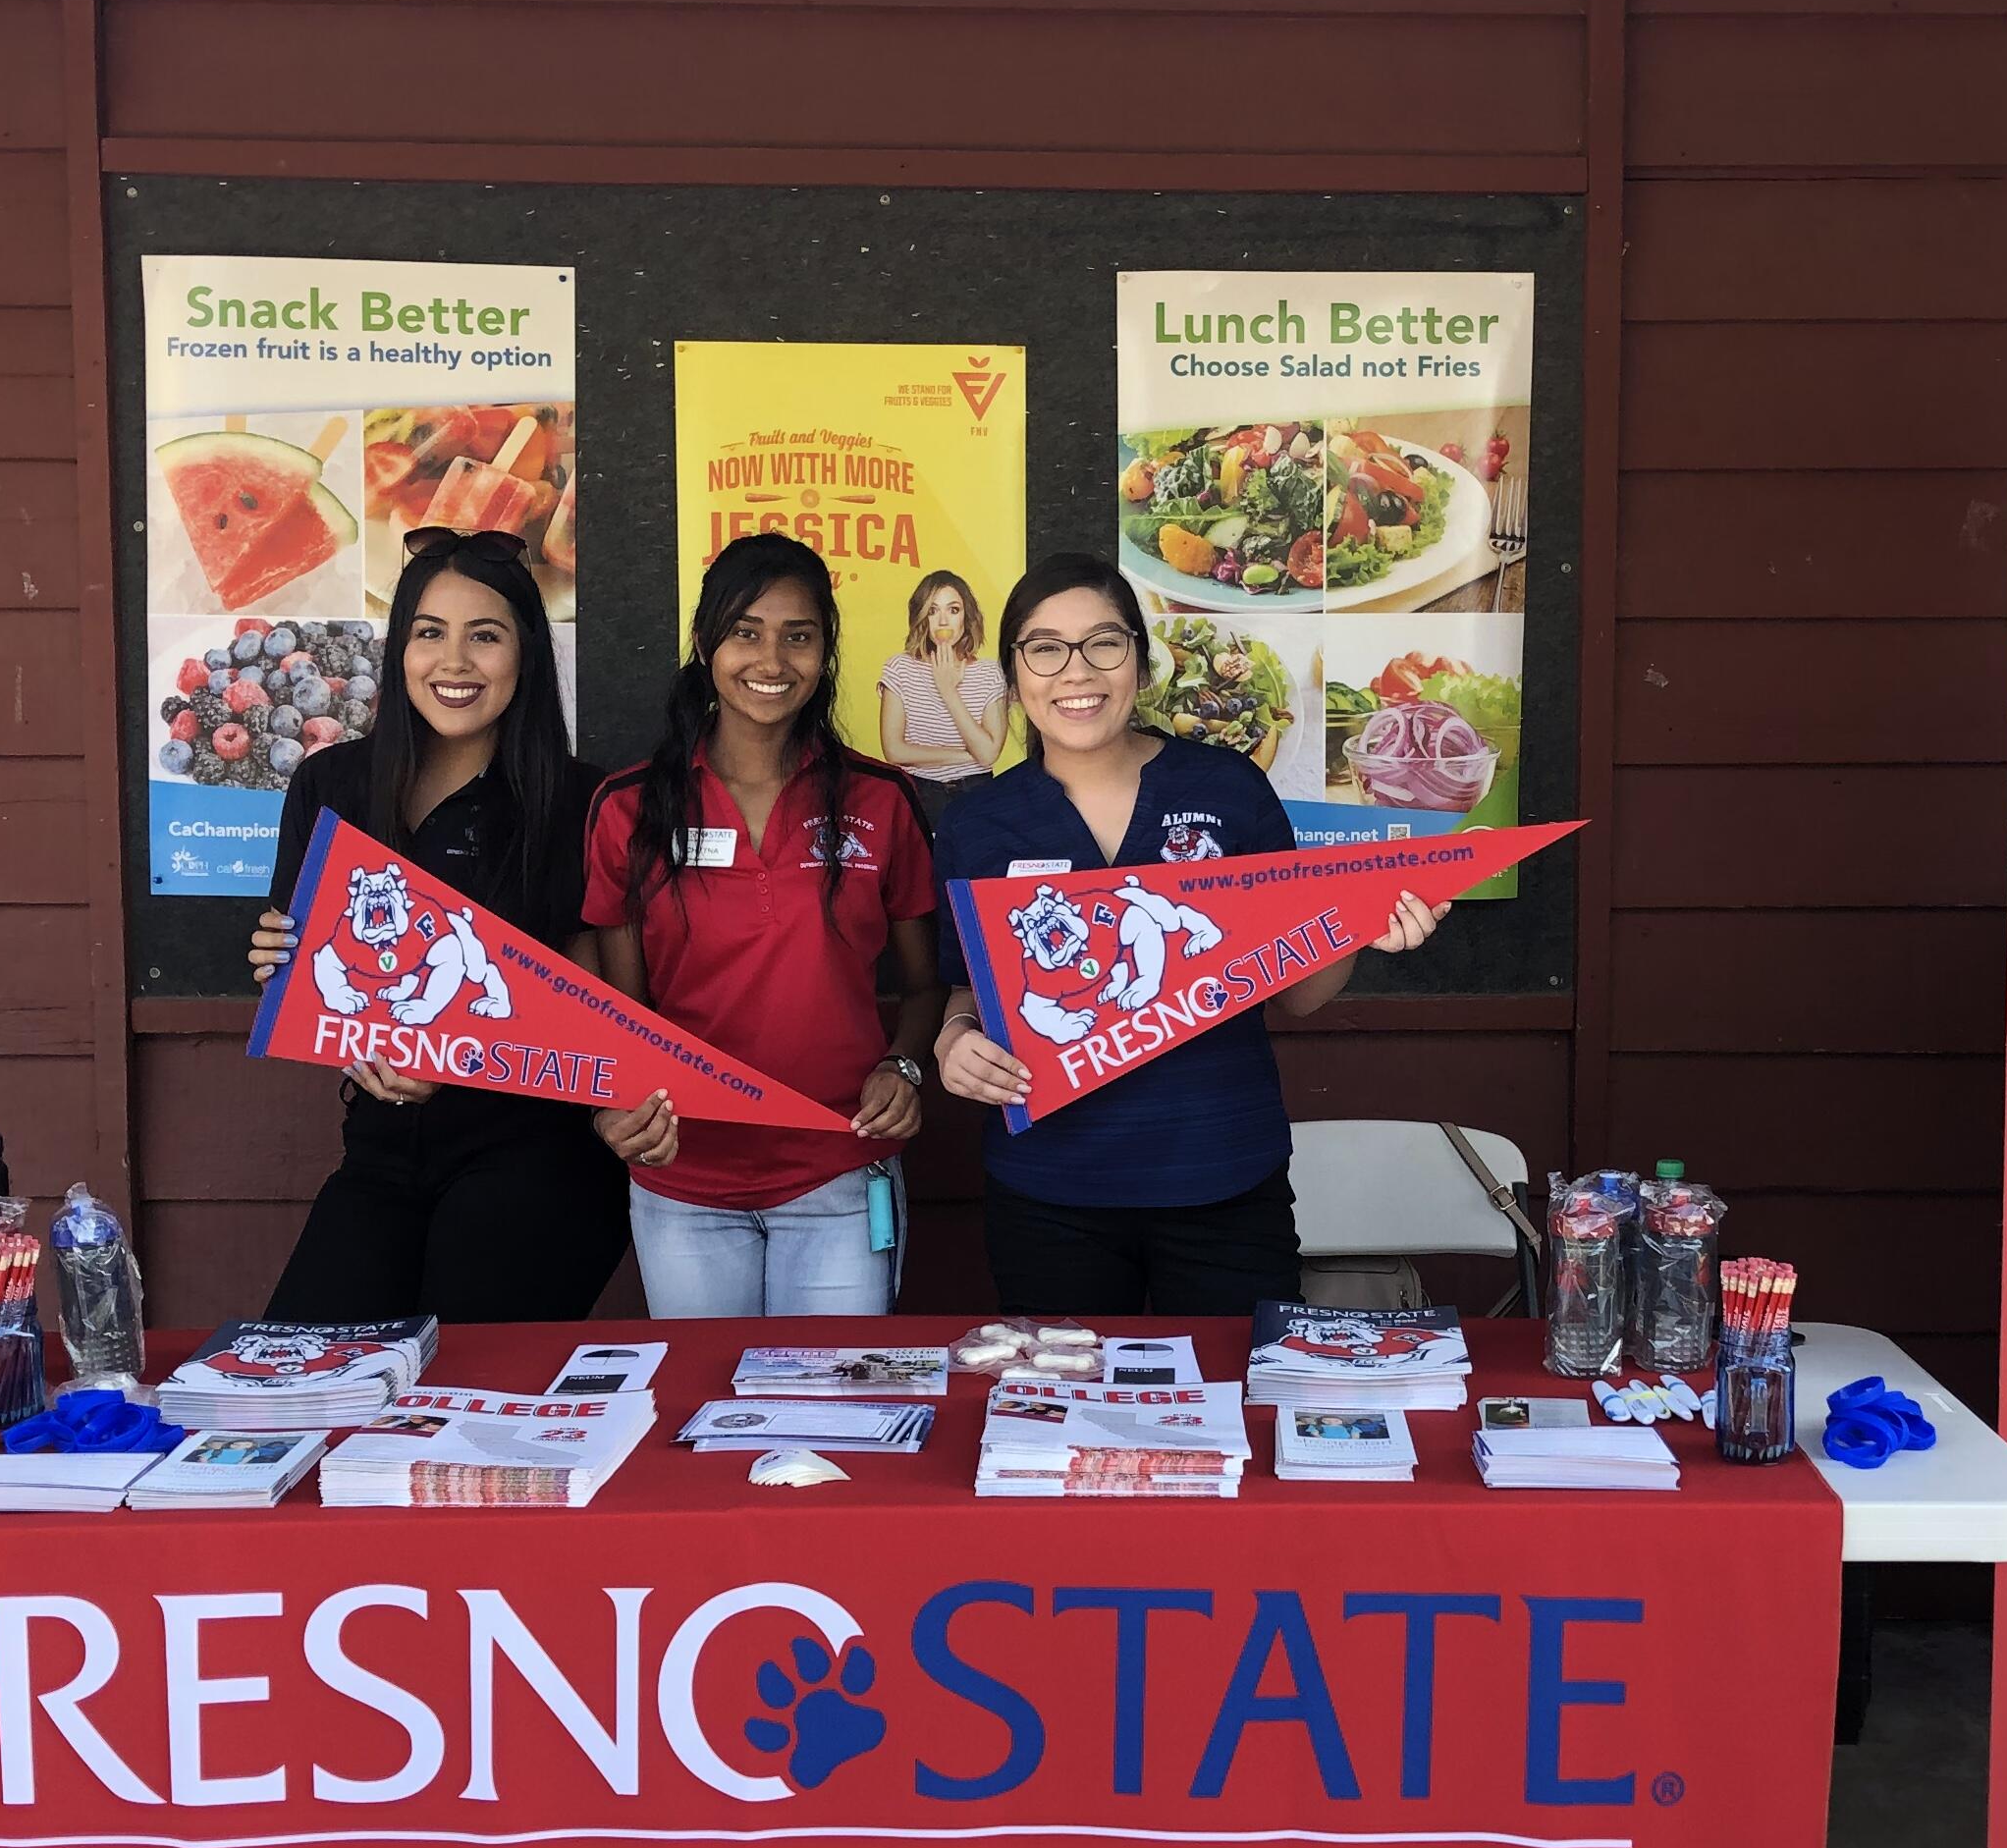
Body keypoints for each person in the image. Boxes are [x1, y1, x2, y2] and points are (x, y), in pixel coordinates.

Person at [930, 552, 1447, 1315]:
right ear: (1015, 674)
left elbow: (1297, 992)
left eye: (1104, 643)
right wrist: (953, 1043)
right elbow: (967, 991)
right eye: (1045, 648)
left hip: (1223, 1180)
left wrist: (1365, 927)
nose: (1077, 671)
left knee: (1237, 1409)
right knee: (1067, 1417)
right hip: (1050, 1191)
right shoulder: (978, 822)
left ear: (1140, 661)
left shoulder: (1225, 788)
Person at [244, 527, 626, 1324]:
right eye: (429, 634)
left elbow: (605, 1003)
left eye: (484, 636)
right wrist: (298, 984)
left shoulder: (583, 804)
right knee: (303, 1369)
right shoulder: (331, 783)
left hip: (536, 1149)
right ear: (399, 652)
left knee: (463, 1382)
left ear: (525, 655)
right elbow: (305, 966)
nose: (454, 662)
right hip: (381, 1147)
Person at [580, 535, 944, 1315]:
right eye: (746, 631)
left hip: (842, 1174)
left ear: (826, 653)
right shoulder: (629, 807)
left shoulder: (881, 800)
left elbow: (924, 987)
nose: (771, 659)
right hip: (684, 1183)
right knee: (705, 1420)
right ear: (707, 642)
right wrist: (612, 1104)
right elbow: (622, 1015)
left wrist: (905, 1068)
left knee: (831, 1425)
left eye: (798, 636)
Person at [875, 567, 1009, 793]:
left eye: (954, 610)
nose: (943, 621)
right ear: (922, 618)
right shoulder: (900, 668)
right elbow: (894, 751)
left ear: (966, 617)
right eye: (932, 611)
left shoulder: (990, 673)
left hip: (977, 790)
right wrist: (966, 755)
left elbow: (988, 755)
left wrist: (948, 690)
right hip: (919, 791)